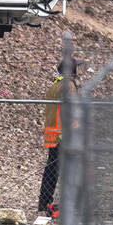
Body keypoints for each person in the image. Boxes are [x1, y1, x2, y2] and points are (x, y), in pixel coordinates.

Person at [39, 60, 81, 213]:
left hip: (53, 134)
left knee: (51, 170)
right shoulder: (68, 86)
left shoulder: (55, 85)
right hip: (64, 134)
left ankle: (44, 202)